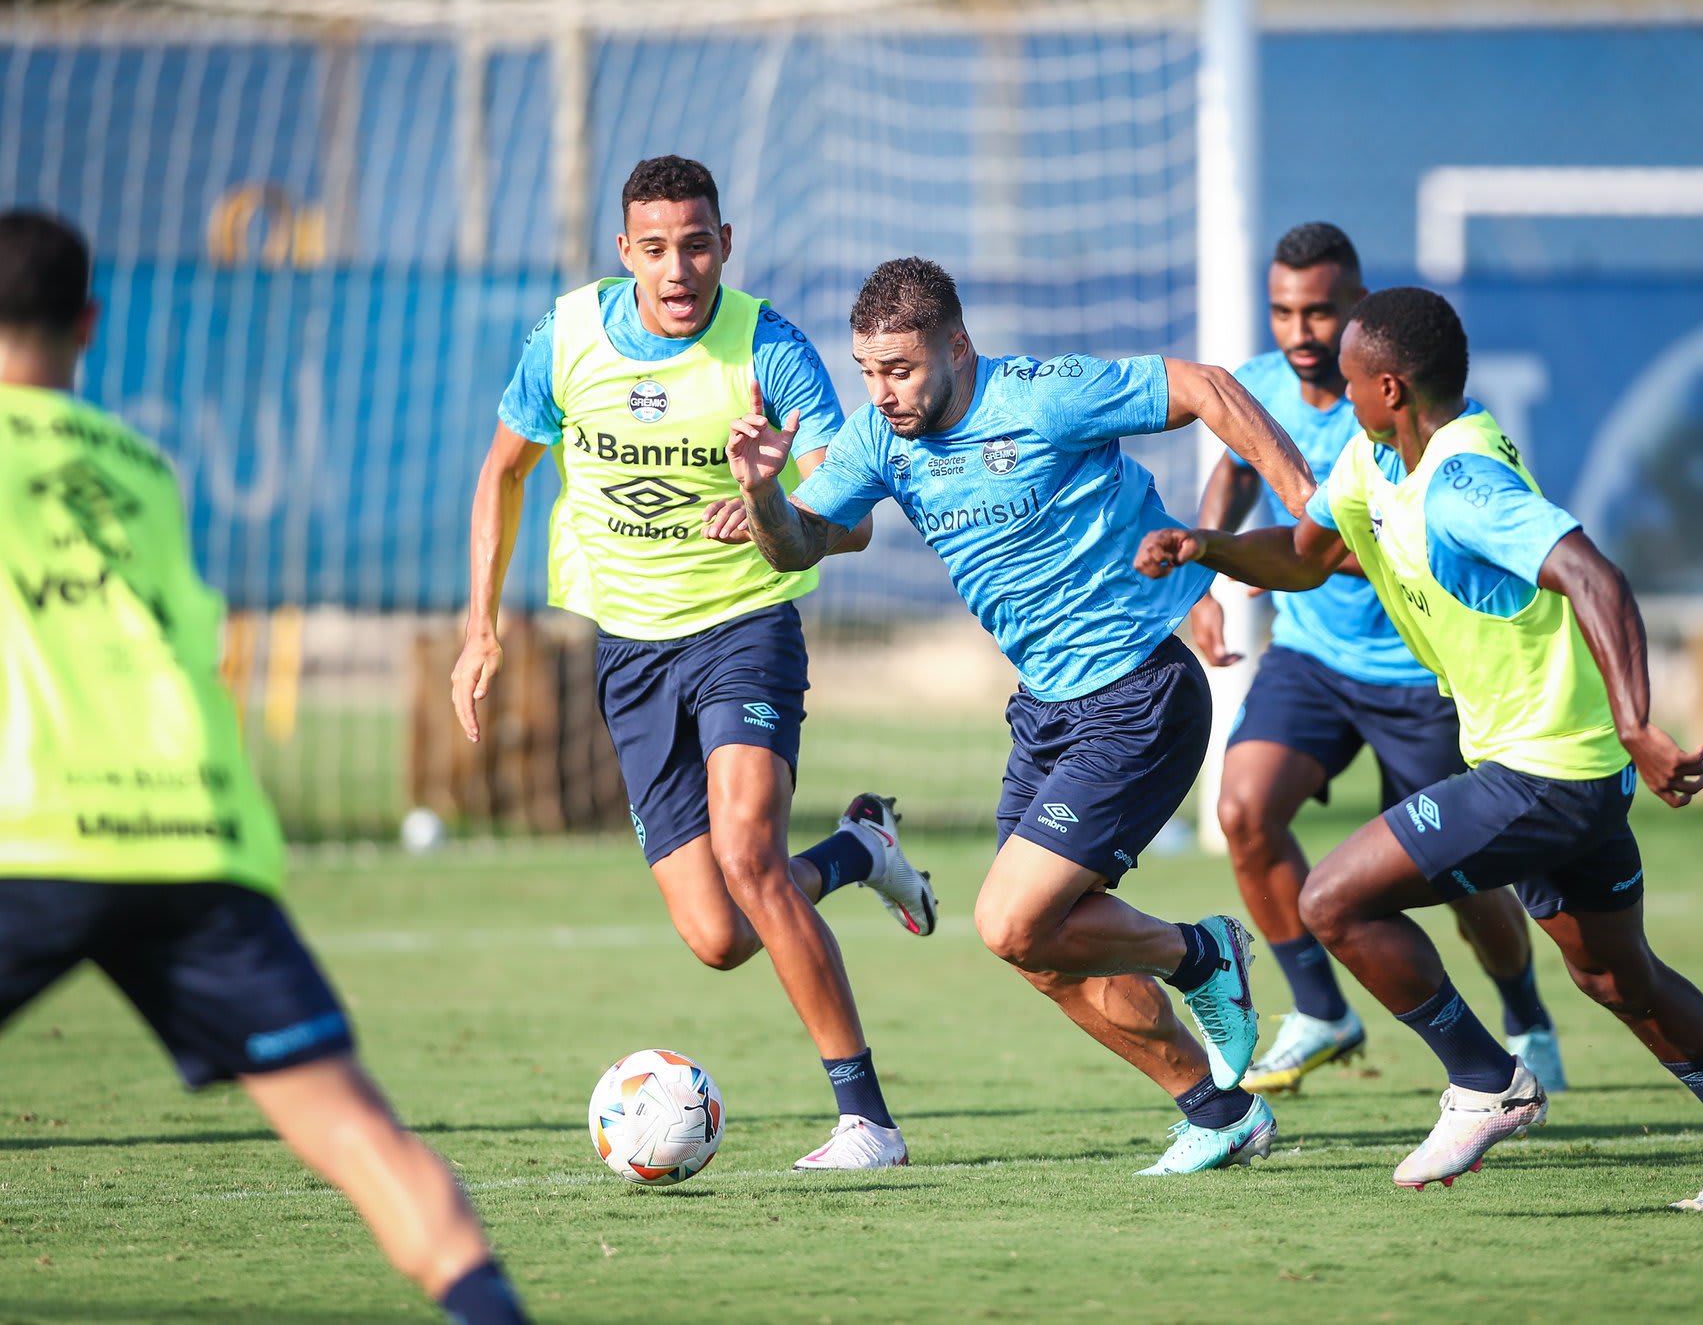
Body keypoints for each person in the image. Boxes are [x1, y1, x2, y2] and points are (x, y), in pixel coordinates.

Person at [1135, 286, 1703, 1209]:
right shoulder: (1376, 460)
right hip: (1548, 762)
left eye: (1347, 381)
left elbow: (1595, 576)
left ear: (1389, 386)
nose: (1333, 393)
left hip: (1551, 768)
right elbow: (1305, 556)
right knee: (1617, 975)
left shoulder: (1464, 483)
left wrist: (1637, 725)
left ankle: (1486, 1079)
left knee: (1331, 898)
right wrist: (1204, 547)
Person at [0, 208, 529, 1323]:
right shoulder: (139, 470)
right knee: (353, 1128)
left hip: (32, 835)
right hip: (196, 832)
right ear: (91, 323)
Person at [725, 257, 1316, 1175]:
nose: (883, 393)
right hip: (1044, 714)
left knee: (1007, 920)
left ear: (957, 347)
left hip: (1139, 693)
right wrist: (765, 493)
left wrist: (1309, 503)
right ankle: (1217, 1107)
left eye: (903, 369)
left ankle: (1201, 953)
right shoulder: (882, 441)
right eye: (869, 371)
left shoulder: (1041, 398)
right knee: (1041, 952)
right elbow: (796, 546)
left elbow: (1207, 387)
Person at [451, 156, 933, 1171]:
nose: (680, 269)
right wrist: (478, 629)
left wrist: (768, 505)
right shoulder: (567, 337)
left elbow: (846, 526)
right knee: (717, 933)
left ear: (725, 245)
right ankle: (858, 852)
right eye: (657, 248)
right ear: (625, 252)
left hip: (743, 631)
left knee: (751, 859)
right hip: (629, 653)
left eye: (698, 244)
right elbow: (501, 472)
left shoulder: (769, 349)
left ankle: (866, 1122)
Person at [1187, 223, 1564, 1096]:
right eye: (1284, 311)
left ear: (1358, 312)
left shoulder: (1415, 416)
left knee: (1467, 884)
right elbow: (1236, 473)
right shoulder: (1260, 385)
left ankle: (1525, 1016)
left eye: (1319, 311)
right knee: (1243, 808)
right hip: (1312, 657)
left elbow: (1411, 535)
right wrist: (1207, 564)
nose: (1299, 331)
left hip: (1417, 674)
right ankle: (1320, 1009)